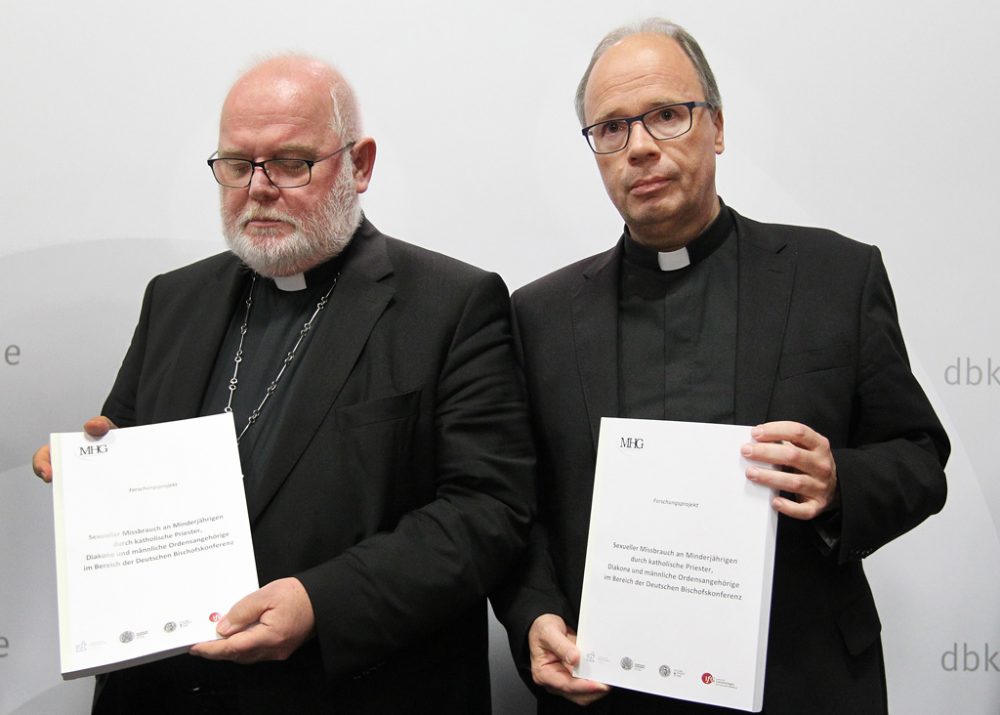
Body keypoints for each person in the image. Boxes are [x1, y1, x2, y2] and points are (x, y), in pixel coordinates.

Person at [32, 54, 535, 714]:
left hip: (345, 690)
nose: (258, 187)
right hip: (159, 692)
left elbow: (487, 512)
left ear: (360, 164)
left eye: (292, 162)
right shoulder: (173, 299)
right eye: (237, 164)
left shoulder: (453, 303)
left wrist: (319, 603)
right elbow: (124, 437)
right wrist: (97, 467)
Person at [492, 18, 948, 715]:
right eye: (611, 129)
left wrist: (838, 482)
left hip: (804, 680)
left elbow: (919, 458)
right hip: (613, 687)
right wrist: (533, 615)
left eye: (667, 116)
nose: (639, 147)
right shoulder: (538, 315)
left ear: (718, 127)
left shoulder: (836, 275)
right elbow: (514, 511)